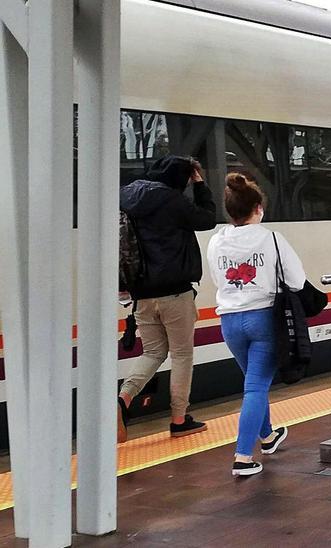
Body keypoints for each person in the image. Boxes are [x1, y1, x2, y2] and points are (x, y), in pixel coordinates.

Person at [117, 155, 217, 443]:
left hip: (141, 294)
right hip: (175, 291)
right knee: (182, 354)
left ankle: (122, 400)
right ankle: (179, 419)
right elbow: (207, 218)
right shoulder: (172, 201)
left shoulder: (127, 195)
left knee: (152, 352)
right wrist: (199, 184)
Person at [207, 173, 299, 476]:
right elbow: (296, 280)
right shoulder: (270, 237)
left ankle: (268, 437)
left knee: (253, 384)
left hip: (230, 321)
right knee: (256, 387)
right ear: (258, 207)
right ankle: (243, 457)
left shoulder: (216, 241)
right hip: (263, 319)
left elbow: (218, 280)